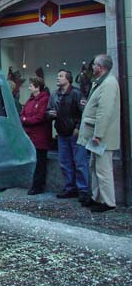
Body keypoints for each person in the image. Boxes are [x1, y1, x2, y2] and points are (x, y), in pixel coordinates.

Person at [78, 54, 120, 212]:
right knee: (94, 166)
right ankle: (96, 197)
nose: (92, 67)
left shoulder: (108, 83)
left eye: (94, 64)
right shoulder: (101, 82)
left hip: (102, 137)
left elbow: (104, 112)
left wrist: (98, 134)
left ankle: (108, 202)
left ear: (101, 67)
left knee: (103, 169)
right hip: (96, 135)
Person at [46, 69, 88, 201]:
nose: (58, 78)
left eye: (61, 76)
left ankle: (83, 190)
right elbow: (48, 111)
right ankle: (70, 188)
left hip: (75, 134)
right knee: (65, 162)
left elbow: (85, 113)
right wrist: (50, 114)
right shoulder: (54, 94)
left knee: (80, 162)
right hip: (61, 134)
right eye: (57, 76)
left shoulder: (76, 93)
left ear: (68, 79)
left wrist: (78, 127)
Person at [20, 77, 51, 195]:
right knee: (34, 161)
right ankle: (33, 184)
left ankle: (38, 186)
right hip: (30, 136)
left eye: (31, 85)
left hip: (40, 137)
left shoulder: (44, 99)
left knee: (40, 163)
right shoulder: (30, 100)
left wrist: (26, 120)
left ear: (37, 87)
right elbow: (22, 114)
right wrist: (25, 119)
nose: (29, 87)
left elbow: (39, 117)